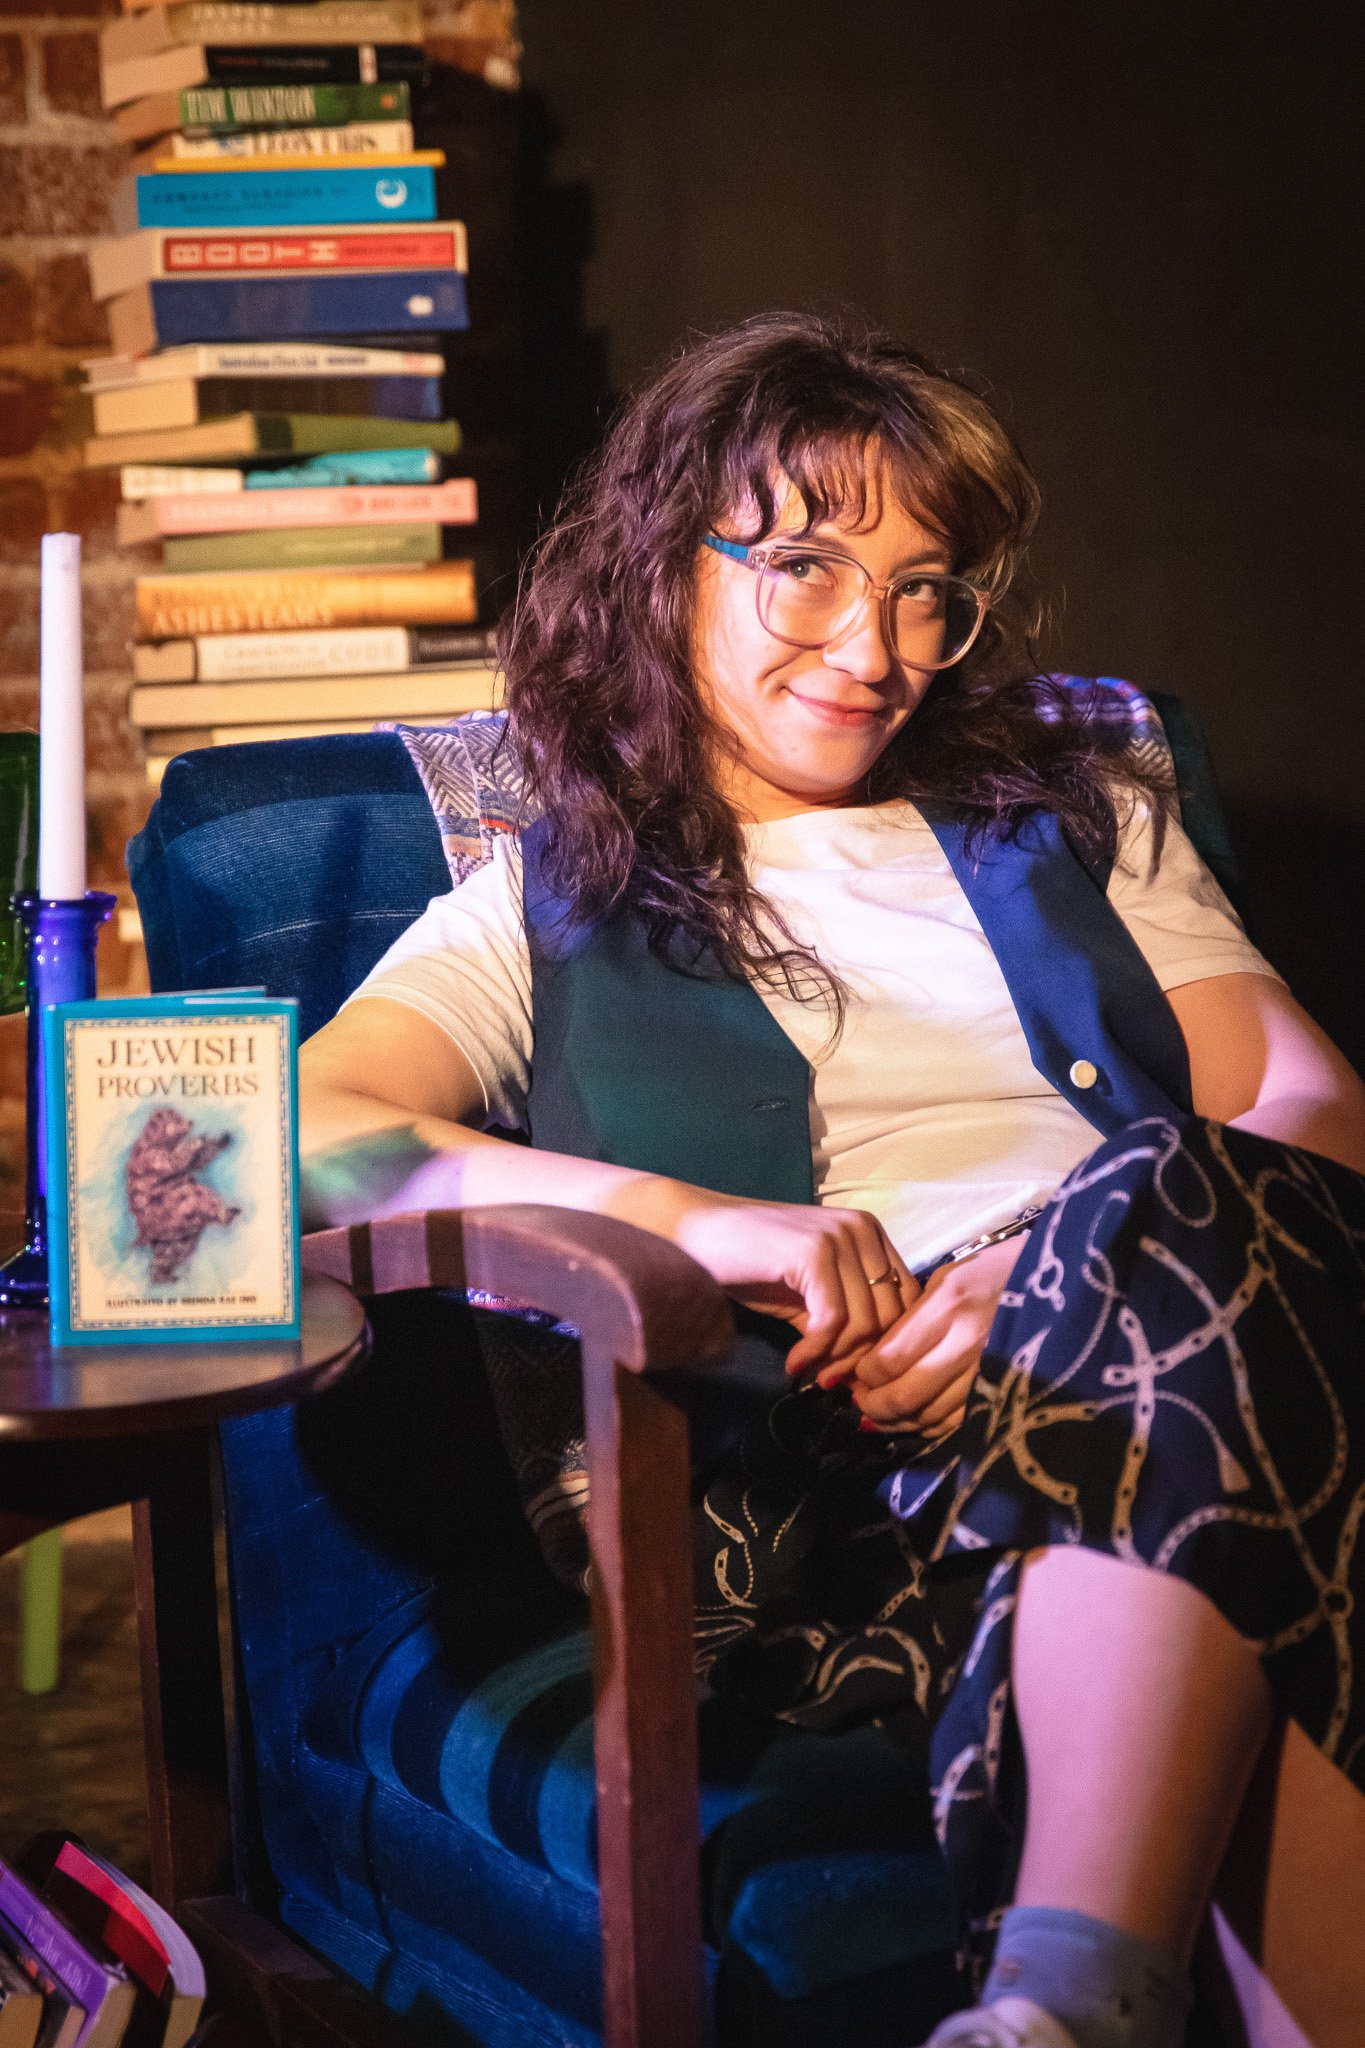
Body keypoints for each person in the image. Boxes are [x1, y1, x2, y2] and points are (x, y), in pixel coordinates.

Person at [298, 311, 1365, 2048]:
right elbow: (299, 1134)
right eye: (802, 569)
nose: (873, 648)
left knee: (1182, 1207)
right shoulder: (547, 901)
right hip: (855, 1470)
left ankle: (1055, 2007)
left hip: (1195, 1328)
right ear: (664, 568)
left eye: (925, 589)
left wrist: (1064, 1278)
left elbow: (1312, 1113)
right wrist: (703, 1229)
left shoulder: (1084, 821)